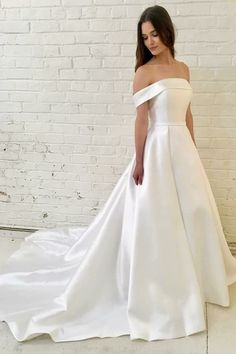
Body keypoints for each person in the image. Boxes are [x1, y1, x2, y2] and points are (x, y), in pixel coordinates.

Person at [0, 4, 236, 343]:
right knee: (159, 216)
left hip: (183, 150)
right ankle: (161, 280)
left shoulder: (183, 69)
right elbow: (142, 120)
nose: (151, 41)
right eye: (145, 36)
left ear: (168, 31)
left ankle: (197, 274)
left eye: (155, 33)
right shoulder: (144, 72)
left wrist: (194, 149)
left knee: (195, 211)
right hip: (157, 149)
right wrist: (139, 161)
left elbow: (188, 113)